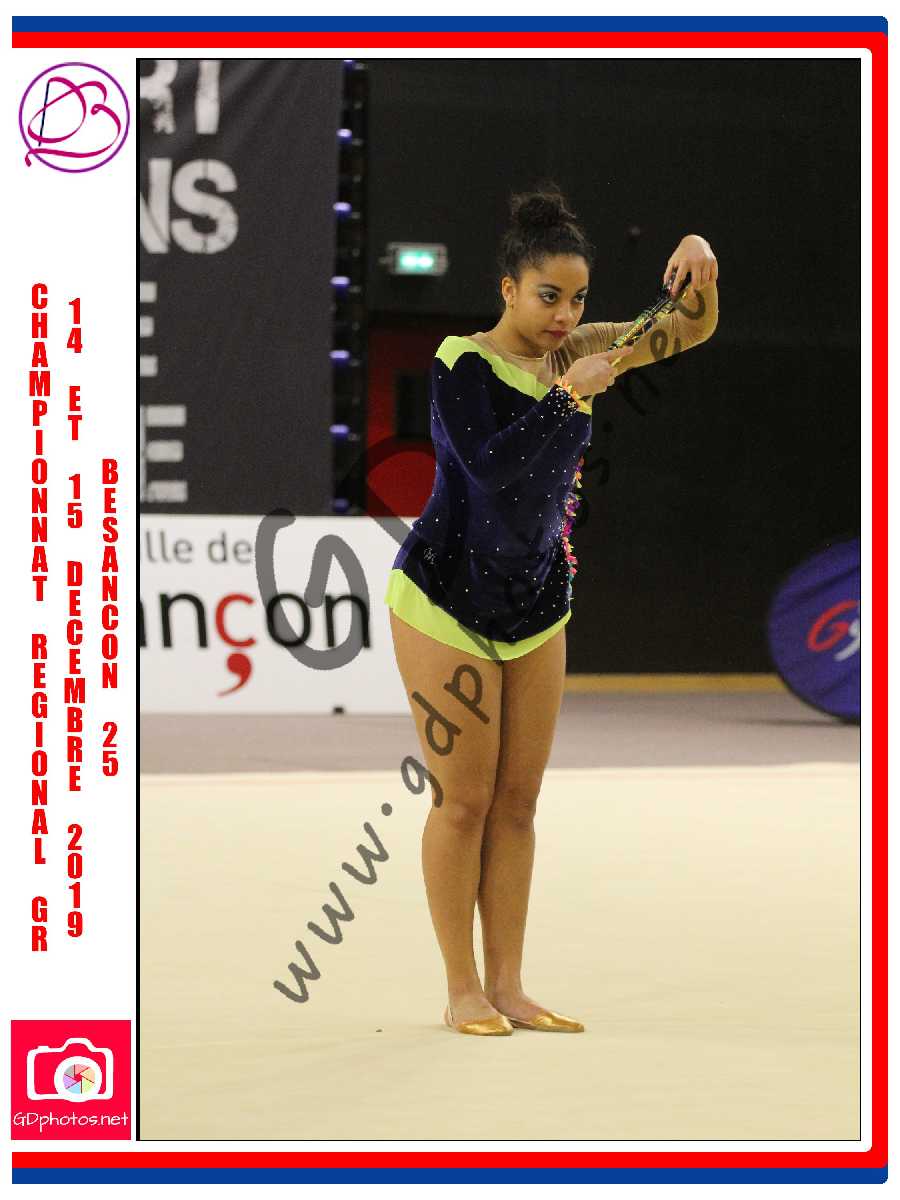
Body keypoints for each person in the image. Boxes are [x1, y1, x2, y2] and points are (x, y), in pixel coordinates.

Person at [384, 182, 719, 1035]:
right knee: (464, 800)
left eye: (577, 299)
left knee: (519, 803)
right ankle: (461, 988)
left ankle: (508, 985)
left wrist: (701, 263)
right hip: (445, 595)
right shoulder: (462, 362)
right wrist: (570, 396)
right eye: (548, 297)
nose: (566, 317)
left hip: (535, 599)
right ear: (508, 289)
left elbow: (686, 328)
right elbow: (490, 468)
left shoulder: (582, 352)